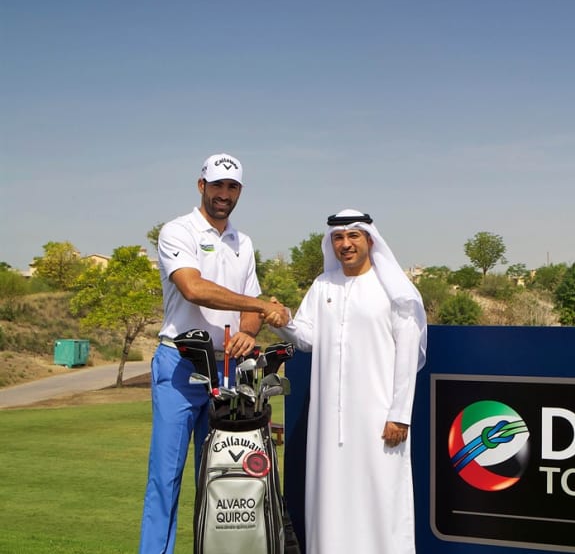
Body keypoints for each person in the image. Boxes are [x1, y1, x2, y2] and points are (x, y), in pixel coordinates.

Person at [139, 152, 288, 554]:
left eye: (232, 187)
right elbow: (193, 287)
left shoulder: (243, 241)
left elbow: (250, 304)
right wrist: (258, 308)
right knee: (166, 478)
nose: (224, 194)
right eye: (217, 185)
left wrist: (247, 330)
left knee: (222, 478)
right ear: (201, 185)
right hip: (181, 363)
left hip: (228, 371)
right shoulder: (177, 230)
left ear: (240, 191)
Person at [273, 209, 427, 553]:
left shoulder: (395, 291)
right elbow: (308, 337)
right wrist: (282, 321)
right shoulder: (322, 286)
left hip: (380, 419)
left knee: (381, 498)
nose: (346, 244)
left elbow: (407, 357)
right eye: (338, 238)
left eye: (353, 236)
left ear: (370, 240)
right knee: (330, 499)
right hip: (329, 423)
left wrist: (400, 414)